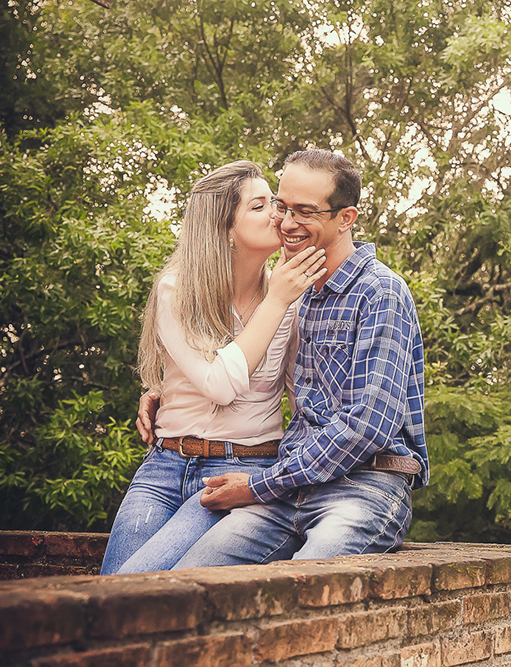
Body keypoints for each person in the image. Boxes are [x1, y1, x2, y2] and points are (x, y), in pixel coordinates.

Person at [137, 149, 428, 568]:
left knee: (305, 585)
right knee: (185, 584)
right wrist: (161, 389)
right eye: (281, 206)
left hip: (362, 486)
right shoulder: (298, 292)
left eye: (304, 211)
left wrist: (259, 486)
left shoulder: (380, 292)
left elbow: (366, 426)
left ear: (346, 218)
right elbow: (262, 375)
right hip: (288, 488)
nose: (287, 223)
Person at [101, 161, 326, 575]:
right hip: (165, 465)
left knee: (131, 587)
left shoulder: (292, 296)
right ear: (225, 228)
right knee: (109, 591)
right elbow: (217, 384)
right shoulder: (177, 289)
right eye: (261, 207)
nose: (279, 215)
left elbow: (304, 392)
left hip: (239, 473)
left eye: (274, 203)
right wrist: (160, 391)